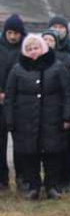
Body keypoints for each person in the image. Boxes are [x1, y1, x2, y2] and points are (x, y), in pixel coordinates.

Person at [5, 33, 70, 201]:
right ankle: (33, 187)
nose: (33, 52)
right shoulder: (17, 69)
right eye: (29, 49)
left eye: (36, 48)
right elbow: (10, 97)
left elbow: (68, 93)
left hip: (52, 119)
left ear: (43, 48)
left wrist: (67, 117)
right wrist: (10, 120)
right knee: (29, 155)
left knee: (53, 154)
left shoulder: (57, 67)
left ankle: (52, 186)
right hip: (25, 120)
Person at [44, 29, 70, 192]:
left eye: (51, 40)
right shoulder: (36, 60)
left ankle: (68, 178)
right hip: (45, 111)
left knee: (67, 147)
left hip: (65, 109)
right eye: (44, 40)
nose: (47, 43)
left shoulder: (67, 60)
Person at [0, 14, 26, 191]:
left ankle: (23, 178)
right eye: (10, 32)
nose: (12, 37)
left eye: (16, 33)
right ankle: (2, 178)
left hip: (19, 102)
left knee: (22, 142)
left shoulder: (26, 48)